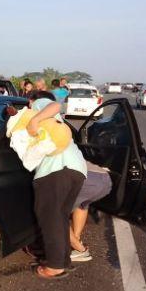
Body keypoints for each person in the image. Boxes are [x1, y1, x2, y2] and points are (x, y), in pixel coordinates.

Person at [26, 91, 88, 279]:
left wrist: (33, 121)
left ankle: (54, 267)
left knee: (50, 218)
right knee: (60, 218)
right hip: (75, 168)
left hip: (56, 169)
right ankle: (62, 261)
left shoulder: (39, 105)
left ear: (32, 100)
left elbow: (54, 104)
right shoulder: (54, 122)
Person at [69, 161, 112, 262]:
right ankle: (76, 240)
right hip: (103, 178)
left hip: (84, 180)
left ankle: (79, 248)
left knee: (53, 212)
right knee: (81, 204)